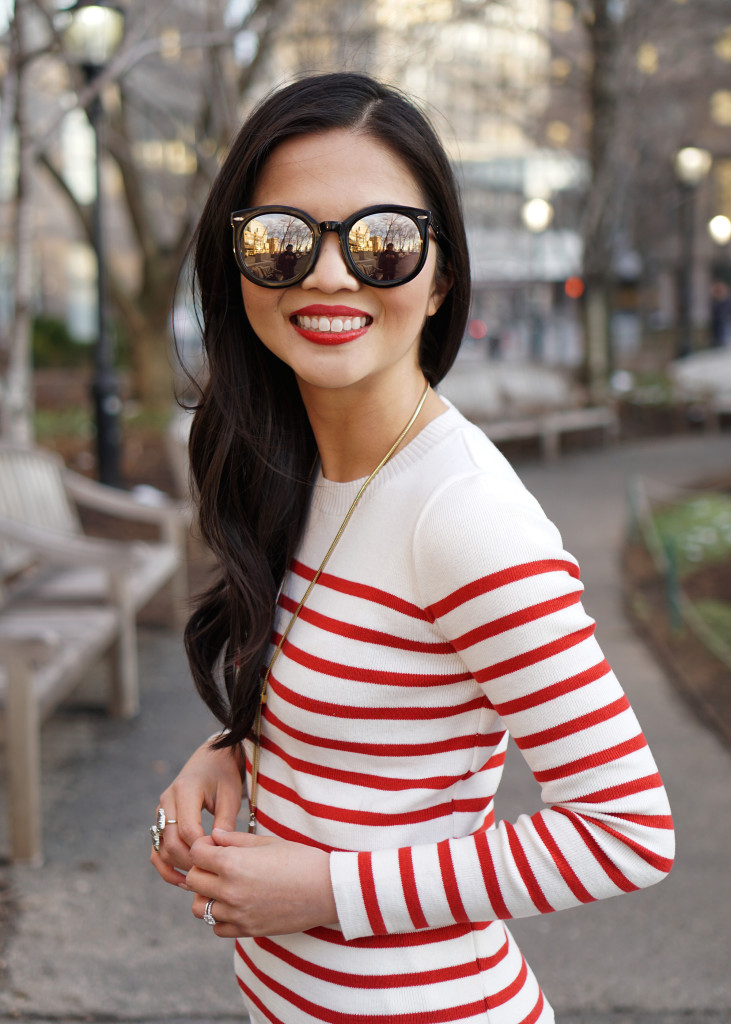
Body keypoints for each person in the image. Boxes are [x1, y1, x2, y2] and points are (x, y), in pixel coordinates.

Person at [151, 72, 674, 1024]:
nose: (330, 274)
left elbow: (626, 831)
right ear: (236, 265)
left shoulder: (464, 517)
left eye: (382, 241)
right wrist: (232, 754)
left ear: (439, 278)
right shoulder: (299, 466)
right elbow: (371, 720)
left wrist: (327, 892)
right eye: (282, 239)